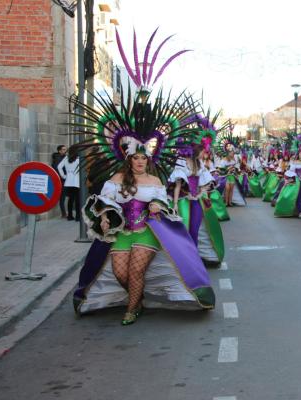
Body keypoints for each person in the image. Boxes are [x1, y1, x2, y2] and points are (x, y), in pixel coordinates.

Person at [70, 29, 215, 325]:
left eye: (142, 158)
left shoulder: (156, 183)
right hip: (122, 233)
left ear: (148, 160)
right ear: (127, 159)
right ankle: (138, 296)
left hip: (148, 231)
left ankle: (132, 308)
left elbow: (166, 205)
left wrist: (157, 207)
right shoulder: (114, 181)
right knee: (122, 272)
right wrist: (106, 217)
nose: (138, 162)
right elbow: (99, 203)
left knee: (136, 270)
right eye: (134, 158)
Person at [170, 131, 224, 267]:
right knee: (186, 229)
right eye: (202, 151)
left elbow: (207, 181)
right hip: (184, 200)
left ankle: (195, 257)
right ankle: (188, 259)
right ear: (195, 151)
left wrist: (201, 191)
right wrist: (175, 204)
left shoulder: (199, 163)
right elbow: (177, 185)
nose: (204, 154)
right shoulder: (181, 161)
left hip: (196, 200)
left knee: (196, 228)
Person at [57, 148, 80, 221]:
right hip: (76, 181)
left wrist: (64, 176)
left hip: (68, 181)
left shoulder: (66, 158)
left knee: (71, 199)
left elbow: (59, 167)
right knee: (77, 200)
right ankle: (77, 217)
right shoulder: (78, 158)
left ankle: (70, 216)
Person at [52, 145, 68, 218]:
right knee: (62, 197)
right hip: (61, 180)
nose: (65, 151)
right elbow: (58, 169)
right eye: (64, 149)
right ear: (59, 151)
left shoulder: (62, 158)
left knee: (63, 197)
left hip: (63, 179)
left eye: (65, 149)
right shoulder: (58, 159)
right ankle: (64, 213)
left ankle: (64, 213)